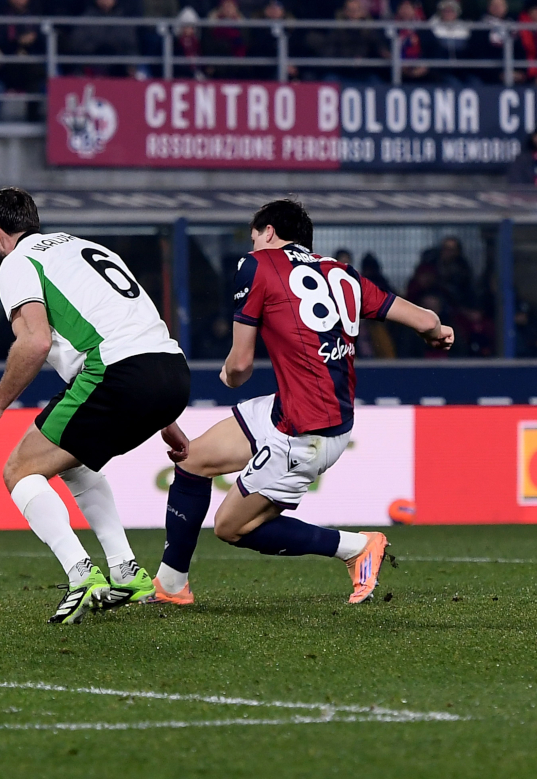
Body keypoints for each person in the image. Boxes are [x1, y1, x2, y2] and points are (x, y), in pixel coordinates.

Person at [148, 199, 454, 608]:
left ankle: (355, 546)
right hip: (297, 409)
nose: (253, 245)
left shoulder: (257, 266)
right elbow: (426, 320)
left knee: (230, 528)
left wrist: (228, 375)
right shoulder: (340, 272)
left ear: (269, 232)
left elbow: (240, 366)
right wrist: (438, 332)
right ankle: (171, 585)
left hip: (306, 431)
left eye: (255, 236)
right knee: (191, 459)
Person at [0, 188, 191, 623]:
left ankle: (80, 573)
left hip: (118, 373)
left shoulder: (17, 262)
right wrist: (168, 418)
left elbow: (34, 341)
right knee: (74, 461)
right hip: (171, 372)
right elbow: (136, 325)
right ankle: (126, 571)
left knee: (19, 471)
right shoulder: (82, 246)